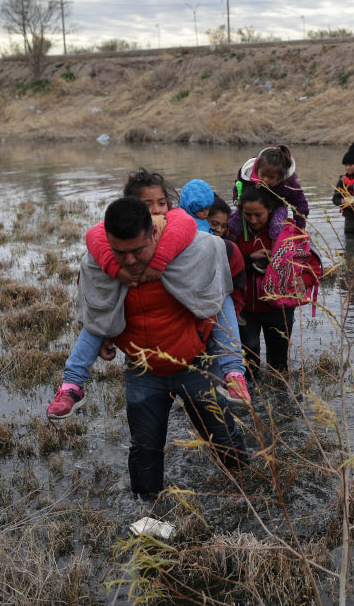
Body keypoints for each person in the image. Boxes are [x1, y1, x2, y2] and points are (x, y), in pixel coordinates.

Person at [47, 169, 249, 424]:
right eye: (147, 204)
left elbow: (186, 227)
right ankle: (72, 383)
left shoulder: (183, 226)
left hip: (193, 357)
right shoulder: (115, 237)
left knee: (219, 299)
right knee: (100, 312)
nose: (156, 211)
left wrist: (157, 264)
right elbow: (94, 239)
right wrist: (116, 270)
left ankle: (233, 369)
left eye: (161, 203)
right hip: (143, 364)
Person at [83, 196, 248, 500]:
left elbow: (226, 279)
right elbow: (96, 306)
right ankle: (147, 511)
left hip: (196, 362)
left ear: (154, 232)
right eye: (121, 253)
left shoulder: (191, 253)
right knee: (145, 445)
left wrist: (232, 364)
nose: (130, 261)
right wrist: (103, 337)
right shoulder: (104, 264)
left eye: (137, 251)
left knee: (221, 432)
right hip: (143, 368)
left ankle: (246, 488)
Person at [228, 186, 319, 386]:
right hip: (245, 310)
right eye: (247, 214)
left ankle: (280, 403)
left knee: (279, 366)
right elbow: (223, 264)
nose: (252, 220)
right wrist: (249, 259)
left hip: (279, 309)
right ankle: (252, 403)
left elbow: (313, 264)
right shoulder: (233, 232)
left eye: (258, 214)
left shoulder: (288, 232)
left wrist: (304, 280)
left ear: (270, 209)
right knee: (248, 364)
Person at [229, 145, 309, 239]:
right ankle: (232, 247)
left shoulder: (288, 183)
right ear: (257, 169)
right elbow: (238, 185)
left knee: (276, 226)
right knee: (233, 224)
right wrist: (236, 200)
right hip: (252, 206)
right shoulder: (247, 173)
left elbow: (299, 203)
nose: (265, 180)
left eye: (271, 177)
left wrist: (300, 226)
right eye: (262, 174)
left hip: (277, 206)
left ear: (280, 177)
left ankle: (274, 252)